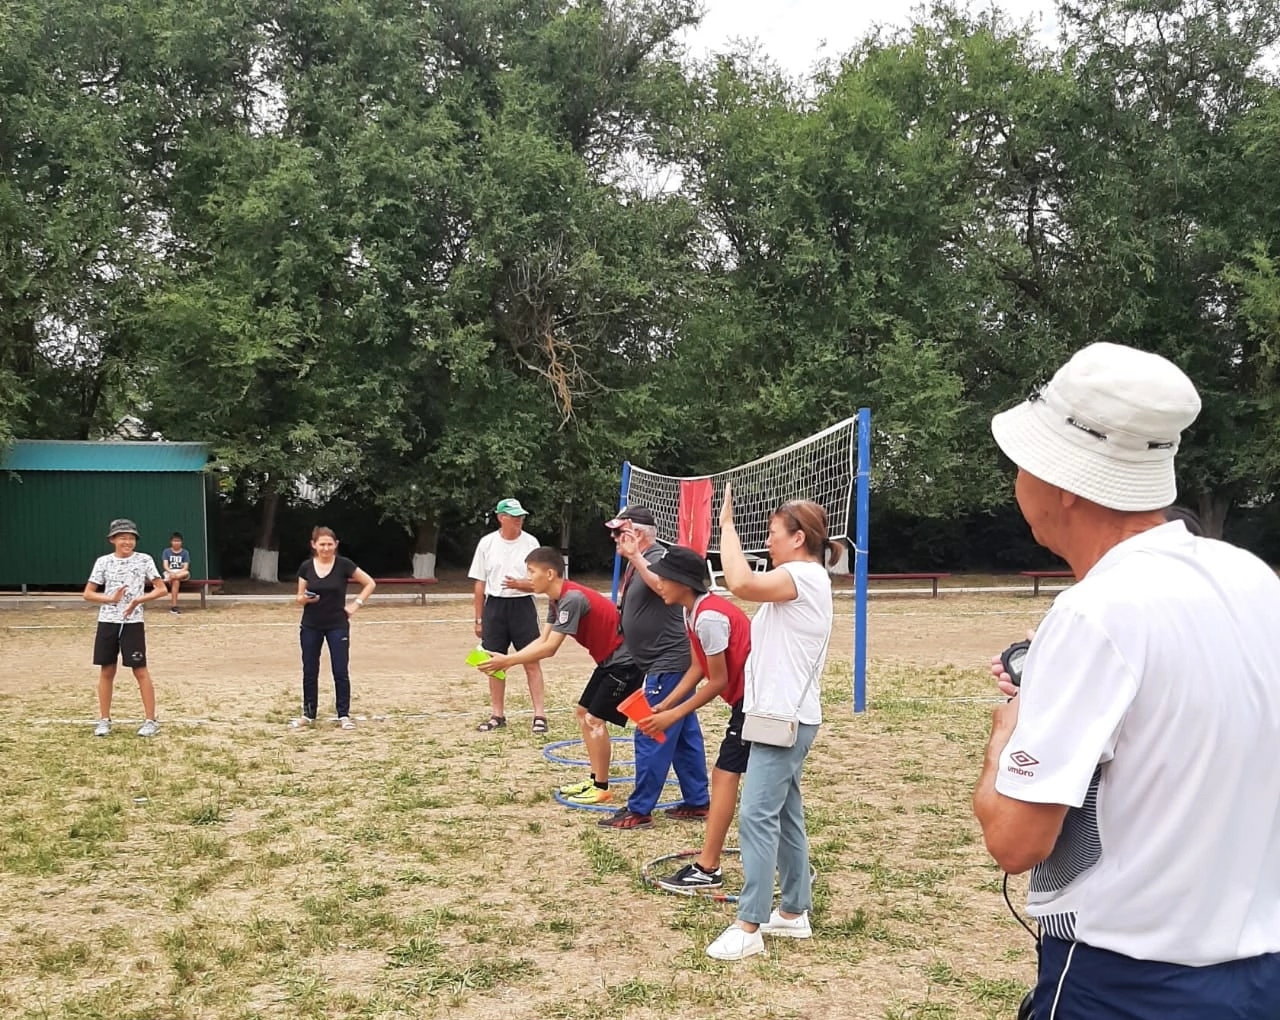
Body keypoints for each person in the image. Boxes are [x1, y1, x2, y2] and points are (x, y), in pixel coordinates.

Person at [973, 342, 1280, 1019]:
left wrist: (1006, 739)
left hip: (1125, 979)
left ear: (1061, 483)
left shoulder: (1095, 613)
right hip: (1258, 971)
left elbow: (1017, 842)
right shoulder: (1253, 580)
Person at [704, 485, 836, 962]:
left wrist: (726, 528)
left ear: (799, 539)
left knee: (757, 815)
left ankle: (749, 924)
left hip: (785, 719)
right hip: (779, 717)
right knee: (783, 814)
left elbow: (738, 582)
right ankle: (794, 910)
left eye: (775, 534)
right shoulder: (802, 577)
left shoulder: (803, 575)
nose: (769, 542)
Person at [477, 546, 642, 804]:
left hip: (626, 663)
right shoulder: (557, 600)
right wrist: (506, 661)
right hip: (610, 662)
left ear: (550, 573)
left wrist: (508, 660)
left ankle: (602, 786)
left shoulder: (572, 599)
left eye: (532, 572)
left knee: (595, 719)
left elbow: (550, 649)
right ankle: (594, 779)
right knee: (583, 713)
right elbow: (541, 640)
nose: (528, 578)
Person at [633, 545, 753, 891]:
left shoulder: (709, 617)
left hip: (754, 703)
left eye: (664, 578)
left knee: (725, 776)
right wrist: (666, 703)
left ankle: (707, 867)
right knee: (740, 778)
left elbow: (719, 681)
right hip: (747, 701)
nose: (659, 584)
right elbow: (698, 666)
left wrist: (673, 715)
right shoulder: (693, 611)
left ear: (684, 583)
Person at [596, 506, 709, 828]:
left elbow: (662, 585)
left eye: (620, 532)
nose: (614, 538)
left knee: (650, 732)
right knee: (684, 737)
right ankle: (697, 802)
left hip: (668, 662)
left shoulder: (658, 558)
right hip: (663, 662)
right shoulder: (642, 559)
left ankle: (639, 810)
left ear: (639, 534)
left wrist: (634, 557)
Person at [82, 518, 168, 737]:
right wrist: (110, 598)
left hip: (133, 623)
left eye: (131, 538)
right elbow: (88, 593)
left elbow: (161, 589)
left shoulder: (144, 560)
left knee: (140, 670)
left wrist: (139, 600)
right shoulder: (103, 562)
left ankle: (150, 720)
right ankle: (104, 720)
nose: (127, 541)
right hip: (107, 622)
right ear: (112, 540)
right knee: (107, 670)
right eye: (122, 538)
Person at [468, 498, 547, 733]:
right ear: (501, 518)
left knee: (531, 661)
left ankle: (539, 715)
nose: (519, 521)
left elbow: (540, 582)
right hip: (495, 609)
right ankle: (497, 714)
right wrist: (479, 618)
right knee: (493, 662)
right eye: (514, 517)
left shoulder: (531, 542)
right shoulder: (487, 543)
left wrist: (521, 584)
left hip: (522, 608)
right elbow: (480, 583)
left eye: (521, 517)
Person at [295, 526, 376, 730]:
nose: (326, 548)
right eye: (322, 544)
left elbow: (370, 583)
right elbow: (298, 597)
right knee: (310, 670)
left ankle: (343, 714)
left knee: (340, 670)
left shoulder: (344, 565)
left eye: (330, 544)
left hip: (337, 625)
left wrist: (355, 604)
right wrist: (305, 599)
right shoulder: (306, 567)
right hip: (311, 625)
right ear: (314, 545)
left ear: (336, 545)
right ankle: (309, 713)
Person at [161, 531, 191, 614]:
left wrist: (177, 574)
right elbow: (165, 566)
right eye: (174, 541)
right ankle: (174, 606)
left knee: (186, 572)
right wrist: (171, 573)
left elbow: (185, 567)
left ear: (181, 542)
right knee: (176, 581)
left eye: (178, 541)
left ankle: (166, 580)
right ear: (171, 542)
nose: (176, 543)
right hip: (170, 572)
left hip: (181, 573)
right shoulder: (166, 551)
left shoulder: (185, 552)